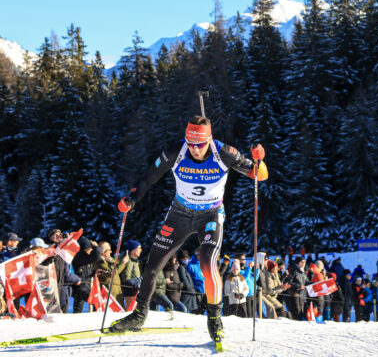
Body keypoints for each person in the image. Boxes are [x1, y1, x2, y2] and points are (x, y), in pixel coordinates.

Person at [109, 115, 268, 347]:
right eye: (191, 143)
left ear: (209, 140)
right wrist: (132, 199)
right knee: (153, 265)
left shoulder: (224, 152)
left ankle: (214, 318)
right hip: (179, 213)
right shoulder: (175, 152)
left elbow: (259, 175)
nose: (194, 149)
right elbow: (147, 179)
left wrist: (259, 160)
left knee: (207, 262)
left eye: (200, 144)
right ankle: (139, 315)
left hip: (211, 215)